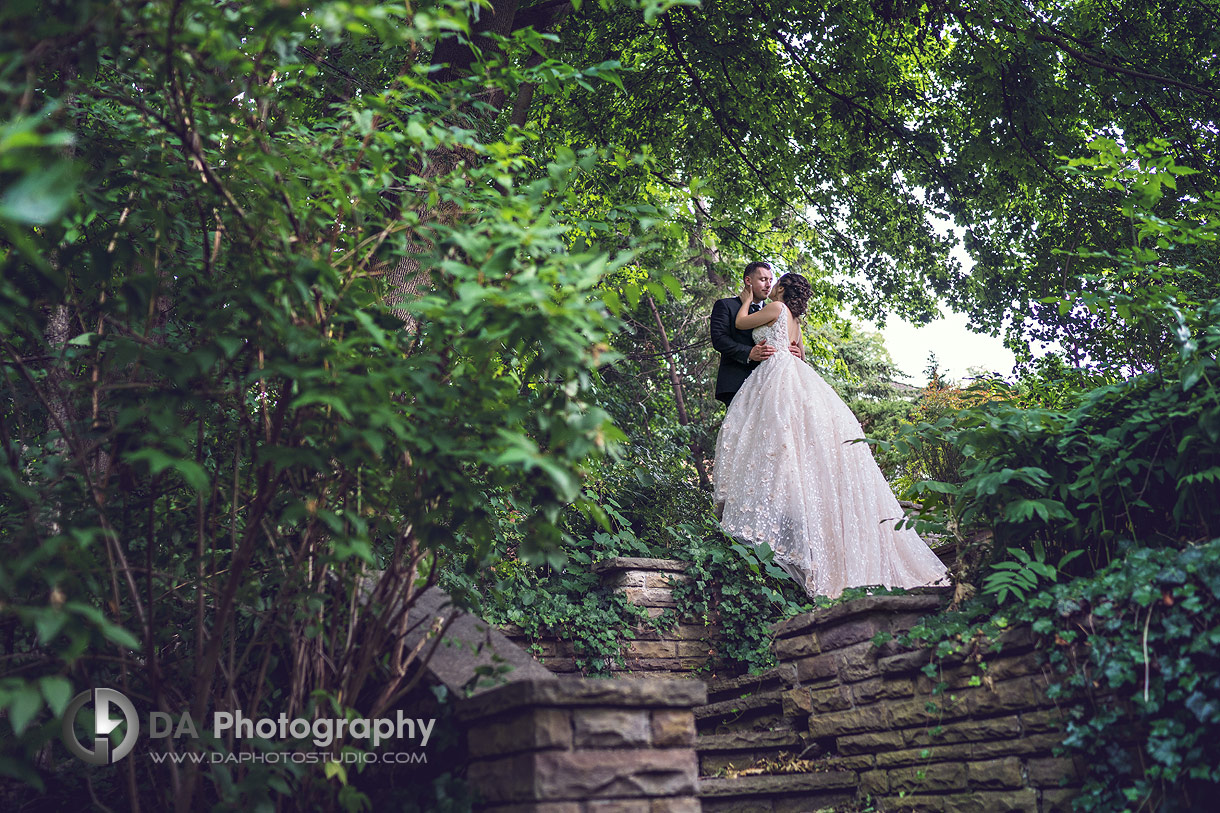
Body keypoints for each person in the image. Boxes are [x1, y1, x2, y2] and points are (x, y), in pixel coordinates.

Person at [712, 272, 948, 598]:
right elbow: (801, 354)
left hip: (774, 375)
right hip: (794, 373)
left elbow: (740, 324)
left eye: (773, 281)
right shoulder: (793, 318)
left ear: (781, 288)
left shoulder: (776, 308)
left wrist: (749, 298)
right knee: (792, 439)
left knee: (773, 438)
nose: (770, 285)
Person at [709, 262, 800, 407]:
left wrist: (794, 352)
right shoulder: (726, 305)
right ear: (748, 281)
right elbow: (719, 339)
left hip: (772, 383)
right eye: (763, 279)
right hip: (737, 381)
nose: (769, 285)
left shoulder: (777, 311)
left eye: (771, 280)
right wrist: (748, 353)